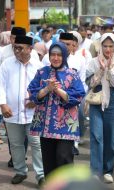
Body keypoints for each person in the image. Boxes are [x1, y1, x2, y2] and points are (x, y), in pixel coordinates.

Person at [27, 42, 86, 177]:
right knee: (49, 162)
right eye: (53, 54)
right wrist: (47, 89)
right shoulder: (42, 72)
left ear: (64, 56)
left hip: (65, 126)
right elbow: (32, 93)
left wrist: (57, 90)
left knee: (64, 157)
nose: (55, 58)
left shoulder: (72, 74)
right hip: (46, 127)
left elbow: (78, 96)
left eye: (59, 55)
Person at [0, 35, 44, 185]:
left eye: (20, 48)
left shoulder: (38, 67)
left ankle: (41, 176)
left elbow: (44, 88)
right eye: (15, 47)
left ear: (30, 49)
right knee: (16, 144)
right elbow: (0, 85)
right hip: (12, 111)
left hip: (33, 114)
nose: (16, 50)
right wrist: (2, 104)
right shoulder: (7, 64)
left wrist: (36, 100)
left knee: (36, 144)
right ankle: (20, 171)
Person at [86, 33, 114, 183]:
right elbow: (90, 84)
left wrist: (109, 69)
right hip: (96, 101)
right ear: (100, 46)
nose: (108, 49)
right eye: (105, 46)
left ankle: (108, 170)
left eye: (111, 46)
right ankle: (95, 171)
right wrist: (101, 70)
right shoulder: (93, 62)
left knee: (111, 138)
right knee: (96, 136)